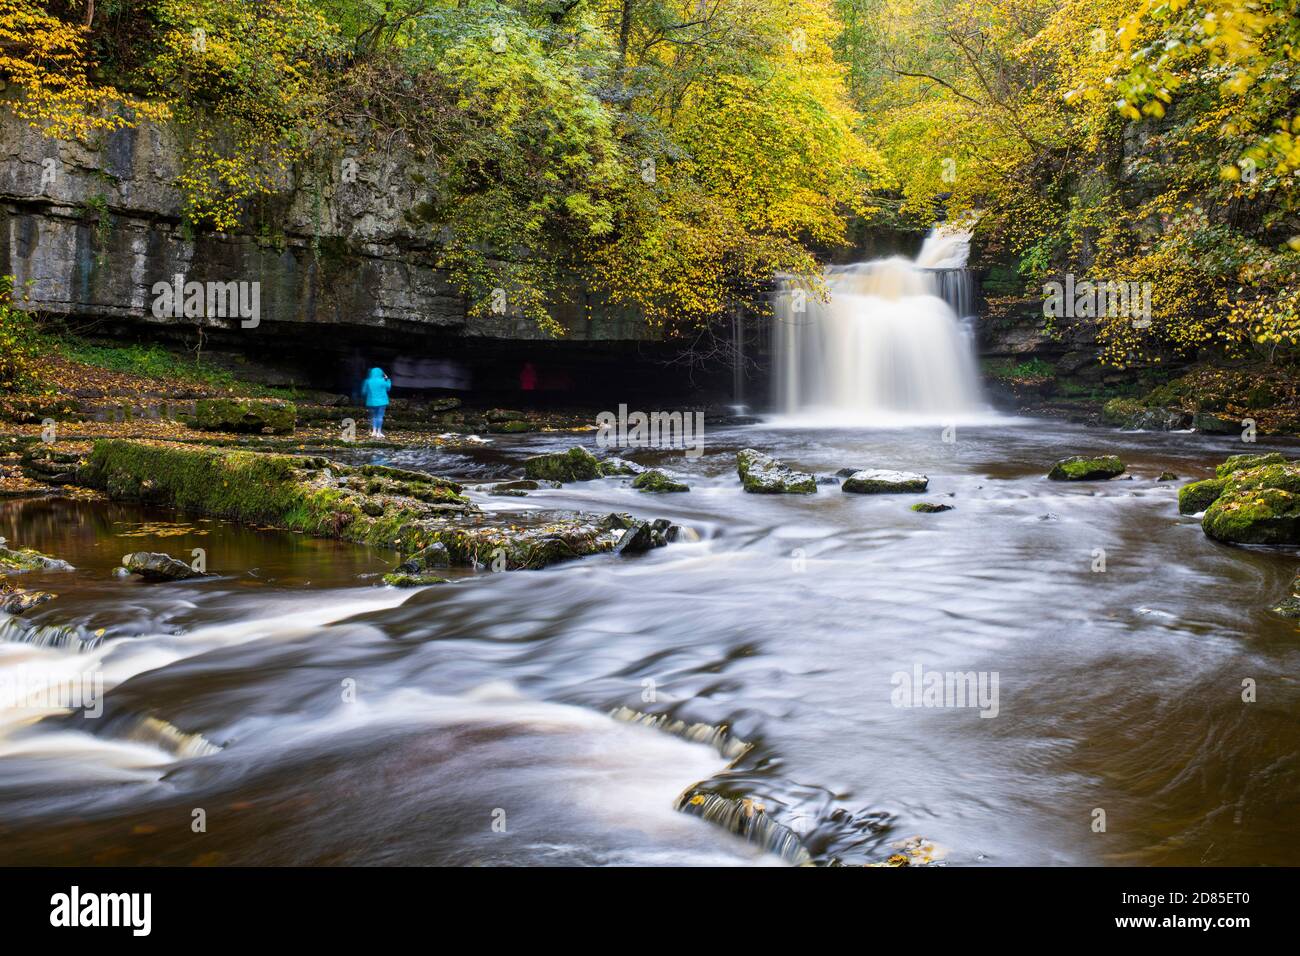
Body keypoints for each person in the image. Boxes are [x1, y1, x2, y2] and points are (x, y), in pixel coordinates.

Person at [360, 367, 391, 438]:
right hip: (382, 402)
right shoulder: (383, 380)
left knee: (374, 416)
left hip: (371, 402)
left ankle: (373, 431)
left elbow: (364, 392)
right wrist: (387, 379)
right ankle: (379, 432)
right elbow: (388, 388)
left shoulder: (367, 381)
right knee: (380, 417)